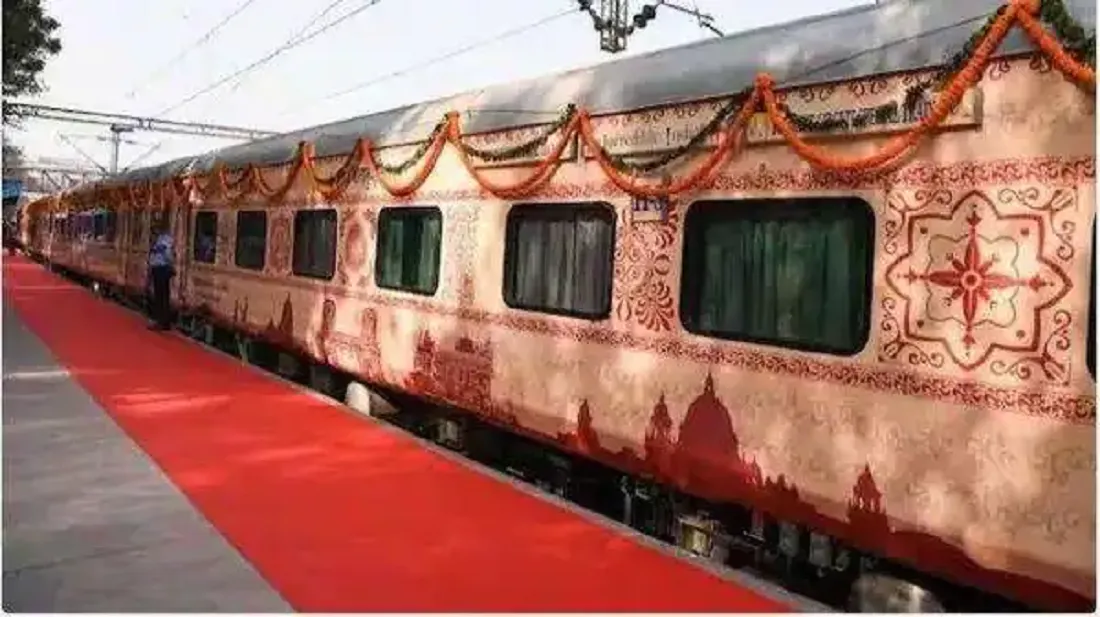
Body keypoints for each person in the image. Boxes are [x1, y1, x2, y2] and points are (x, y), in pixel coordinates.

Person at [147, 219, 176, 331]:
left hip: (161, 269)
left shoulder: (165, 240)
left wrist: (169, 264)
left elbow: (167, 254)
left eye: (156, 228)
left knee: (161, 297)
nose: (154, 230)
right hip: (158, 268)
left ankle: (161, 321)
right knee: (162, 296)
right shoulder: (160, 239)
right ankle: (164, 321)